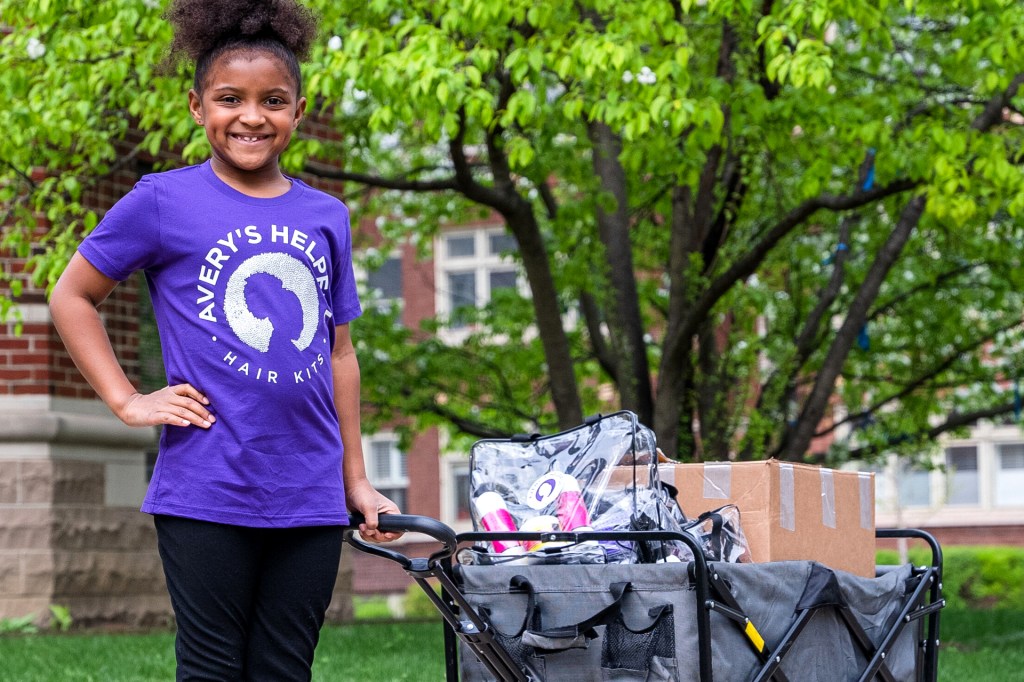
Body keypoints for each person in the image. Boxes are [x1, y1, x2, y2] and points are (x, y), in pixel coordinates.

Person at [48, 1, 400, 679]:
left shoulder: (327, 216)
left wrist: (356, 479)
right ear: (196, 106)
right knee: (211, 669)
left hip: (310, 489)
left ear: (299, 111)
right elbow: (73, 296)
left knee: (284, 668)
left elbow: (339, 352)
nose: (250, 116)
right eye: (229, 98)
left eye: (272, 100)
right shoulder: (162, 201)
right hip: (207, 483)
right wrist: (126, 401)